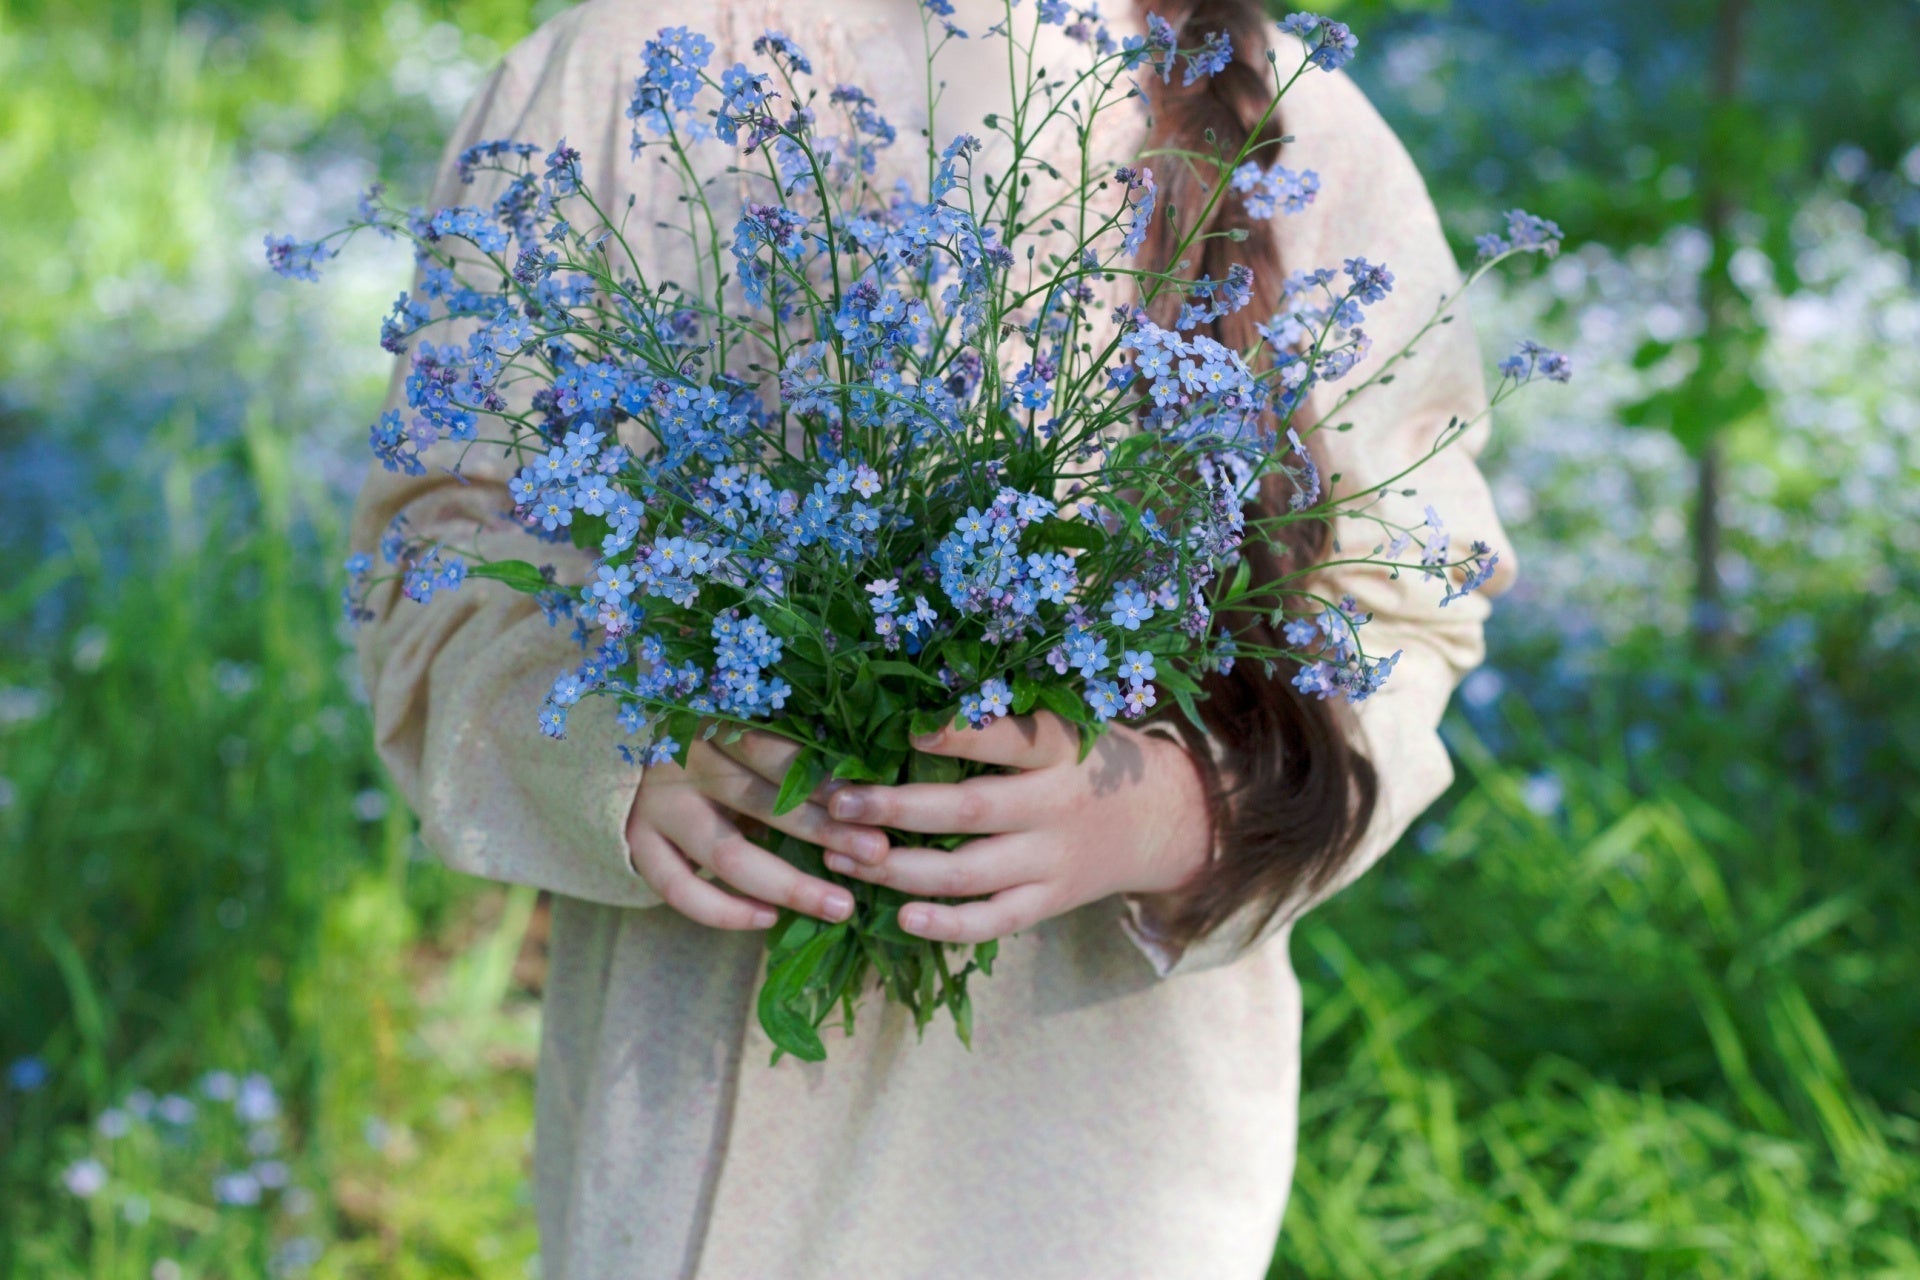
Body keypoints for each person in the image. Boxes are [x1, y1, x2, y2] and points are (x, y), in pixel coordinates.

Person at [350, 0, 1515, 1274]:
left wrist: (1166, 812)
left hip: (1105, 1159)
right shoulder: (614, 72)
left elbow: (1407, 611)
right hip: (695, 1152)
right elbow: (433, 555)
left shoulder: (1302, 128)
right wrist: (620, 765)